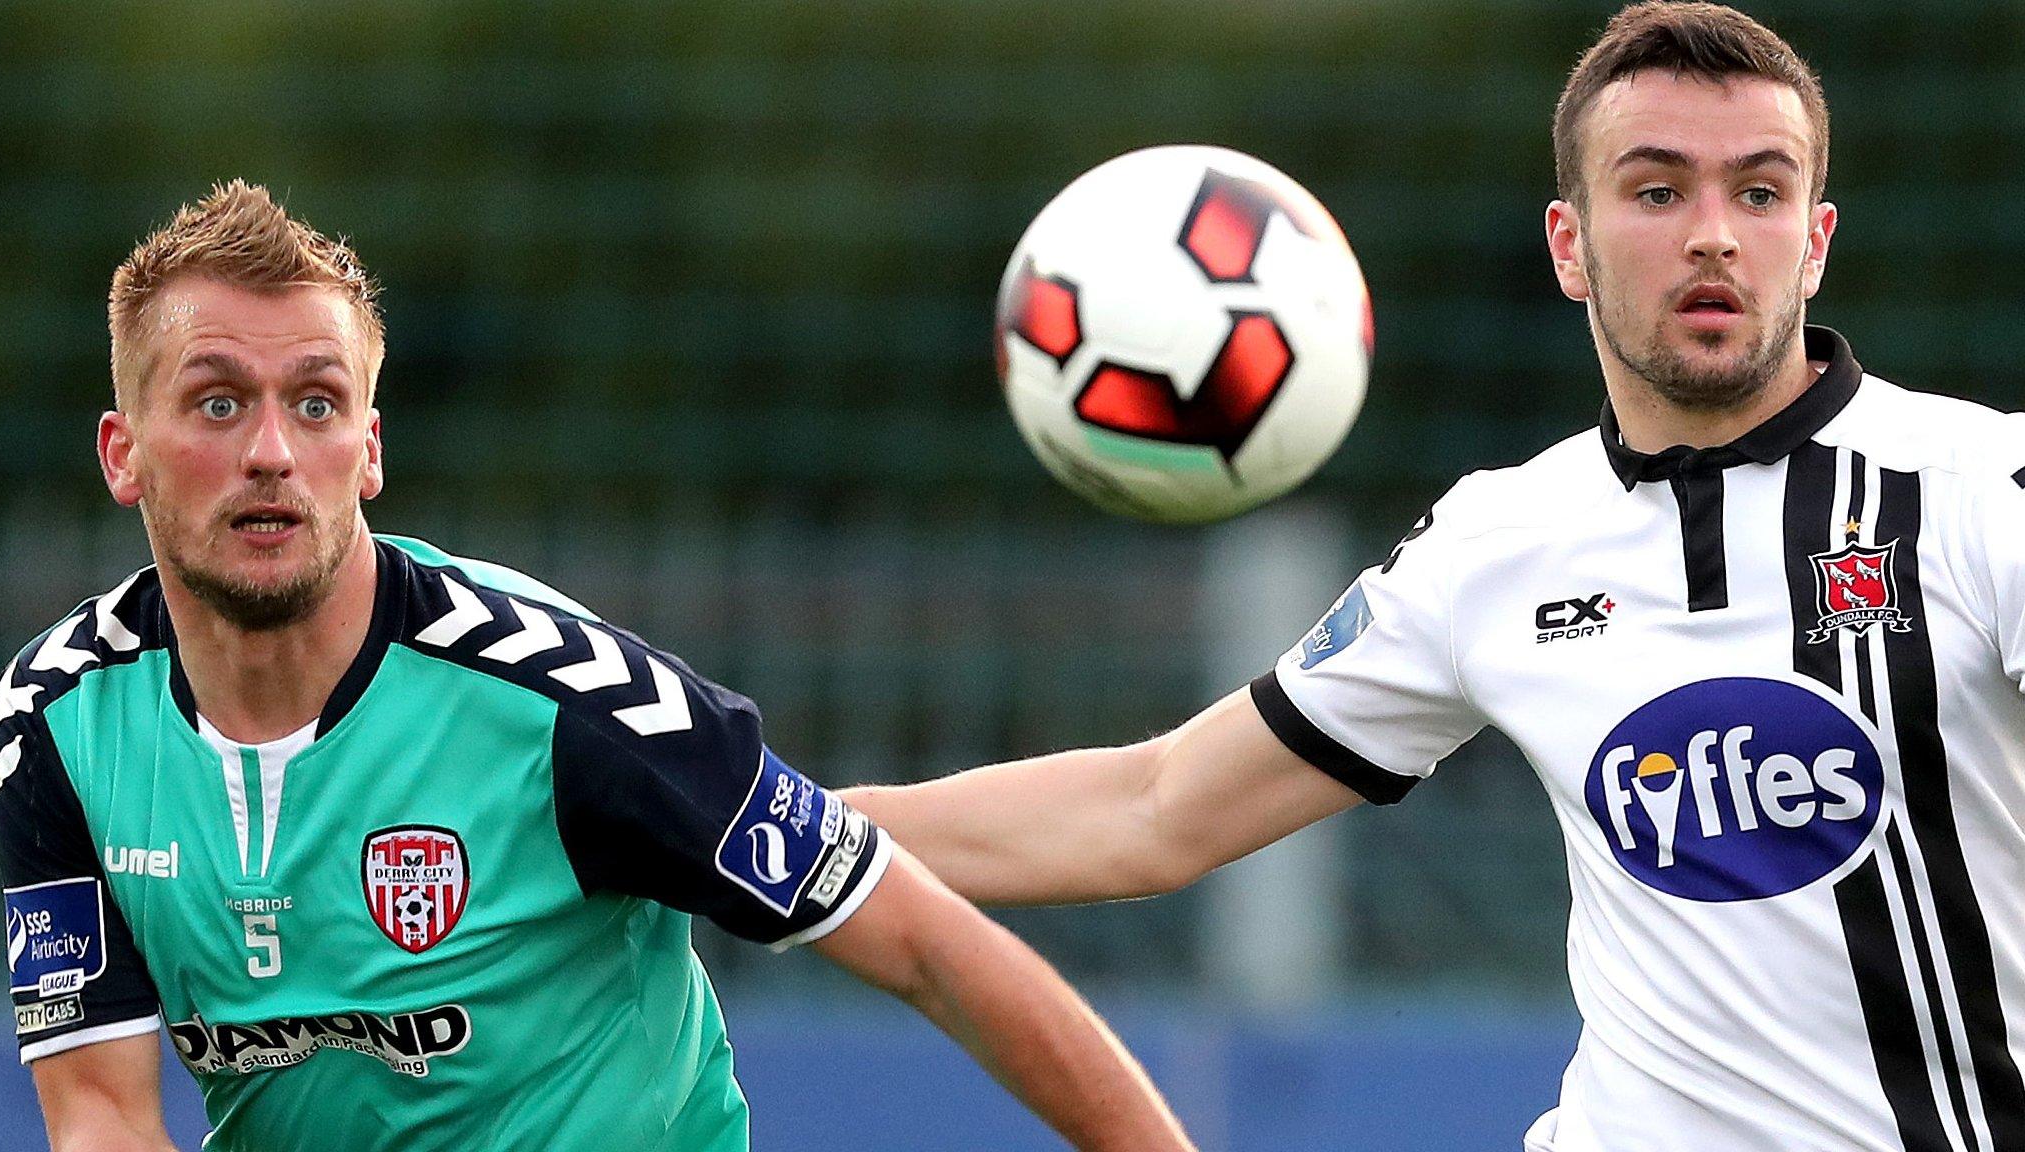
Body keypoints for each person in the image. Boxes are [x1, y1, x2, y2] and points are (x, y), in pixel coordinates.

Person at [847, 4, 2025, 1150]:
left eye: (1757, 193)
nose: (1712, 233)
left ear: (1813, 243)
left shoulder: (1979, 491)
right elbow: (1151, 809)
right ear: (1569, 244)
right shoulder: (1496, 546)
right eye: (1657, 190)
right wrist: (752, 821)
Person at [0, 180, 1195, 1152]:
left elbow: (927, 944)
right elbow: (99, 1115)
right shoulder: (56, 722)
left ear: (368, 454)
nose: (267, 452)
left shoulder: (563, 699)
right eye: (213, 402)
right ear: (122, 453)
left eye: (315, 403)